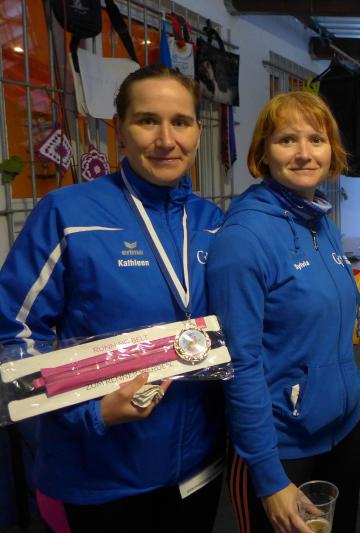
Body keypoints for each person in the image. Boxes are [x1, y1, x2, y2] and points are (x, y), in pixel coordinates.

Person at [0, 65, 224, 531]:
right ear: (118, 129)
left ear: (197, 133)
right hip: (102, 474)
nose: (166, 139)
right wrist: (89, 412)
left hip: (199, 465)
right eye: (147, 120)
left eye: (180, 122)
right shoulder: (67, 213)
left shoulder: (212, 222)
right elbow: (12, 336)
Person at [207, 91, 360, 533]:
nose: (304, 153)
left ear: (331, 150)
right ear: (263, 152)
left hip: (343, 431)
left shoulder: (321, 222)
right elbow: (238, 365)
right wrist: (269, 477)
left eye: (316, 139)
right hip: (283, 450)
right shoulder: (244, 238)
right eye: (287, 140)